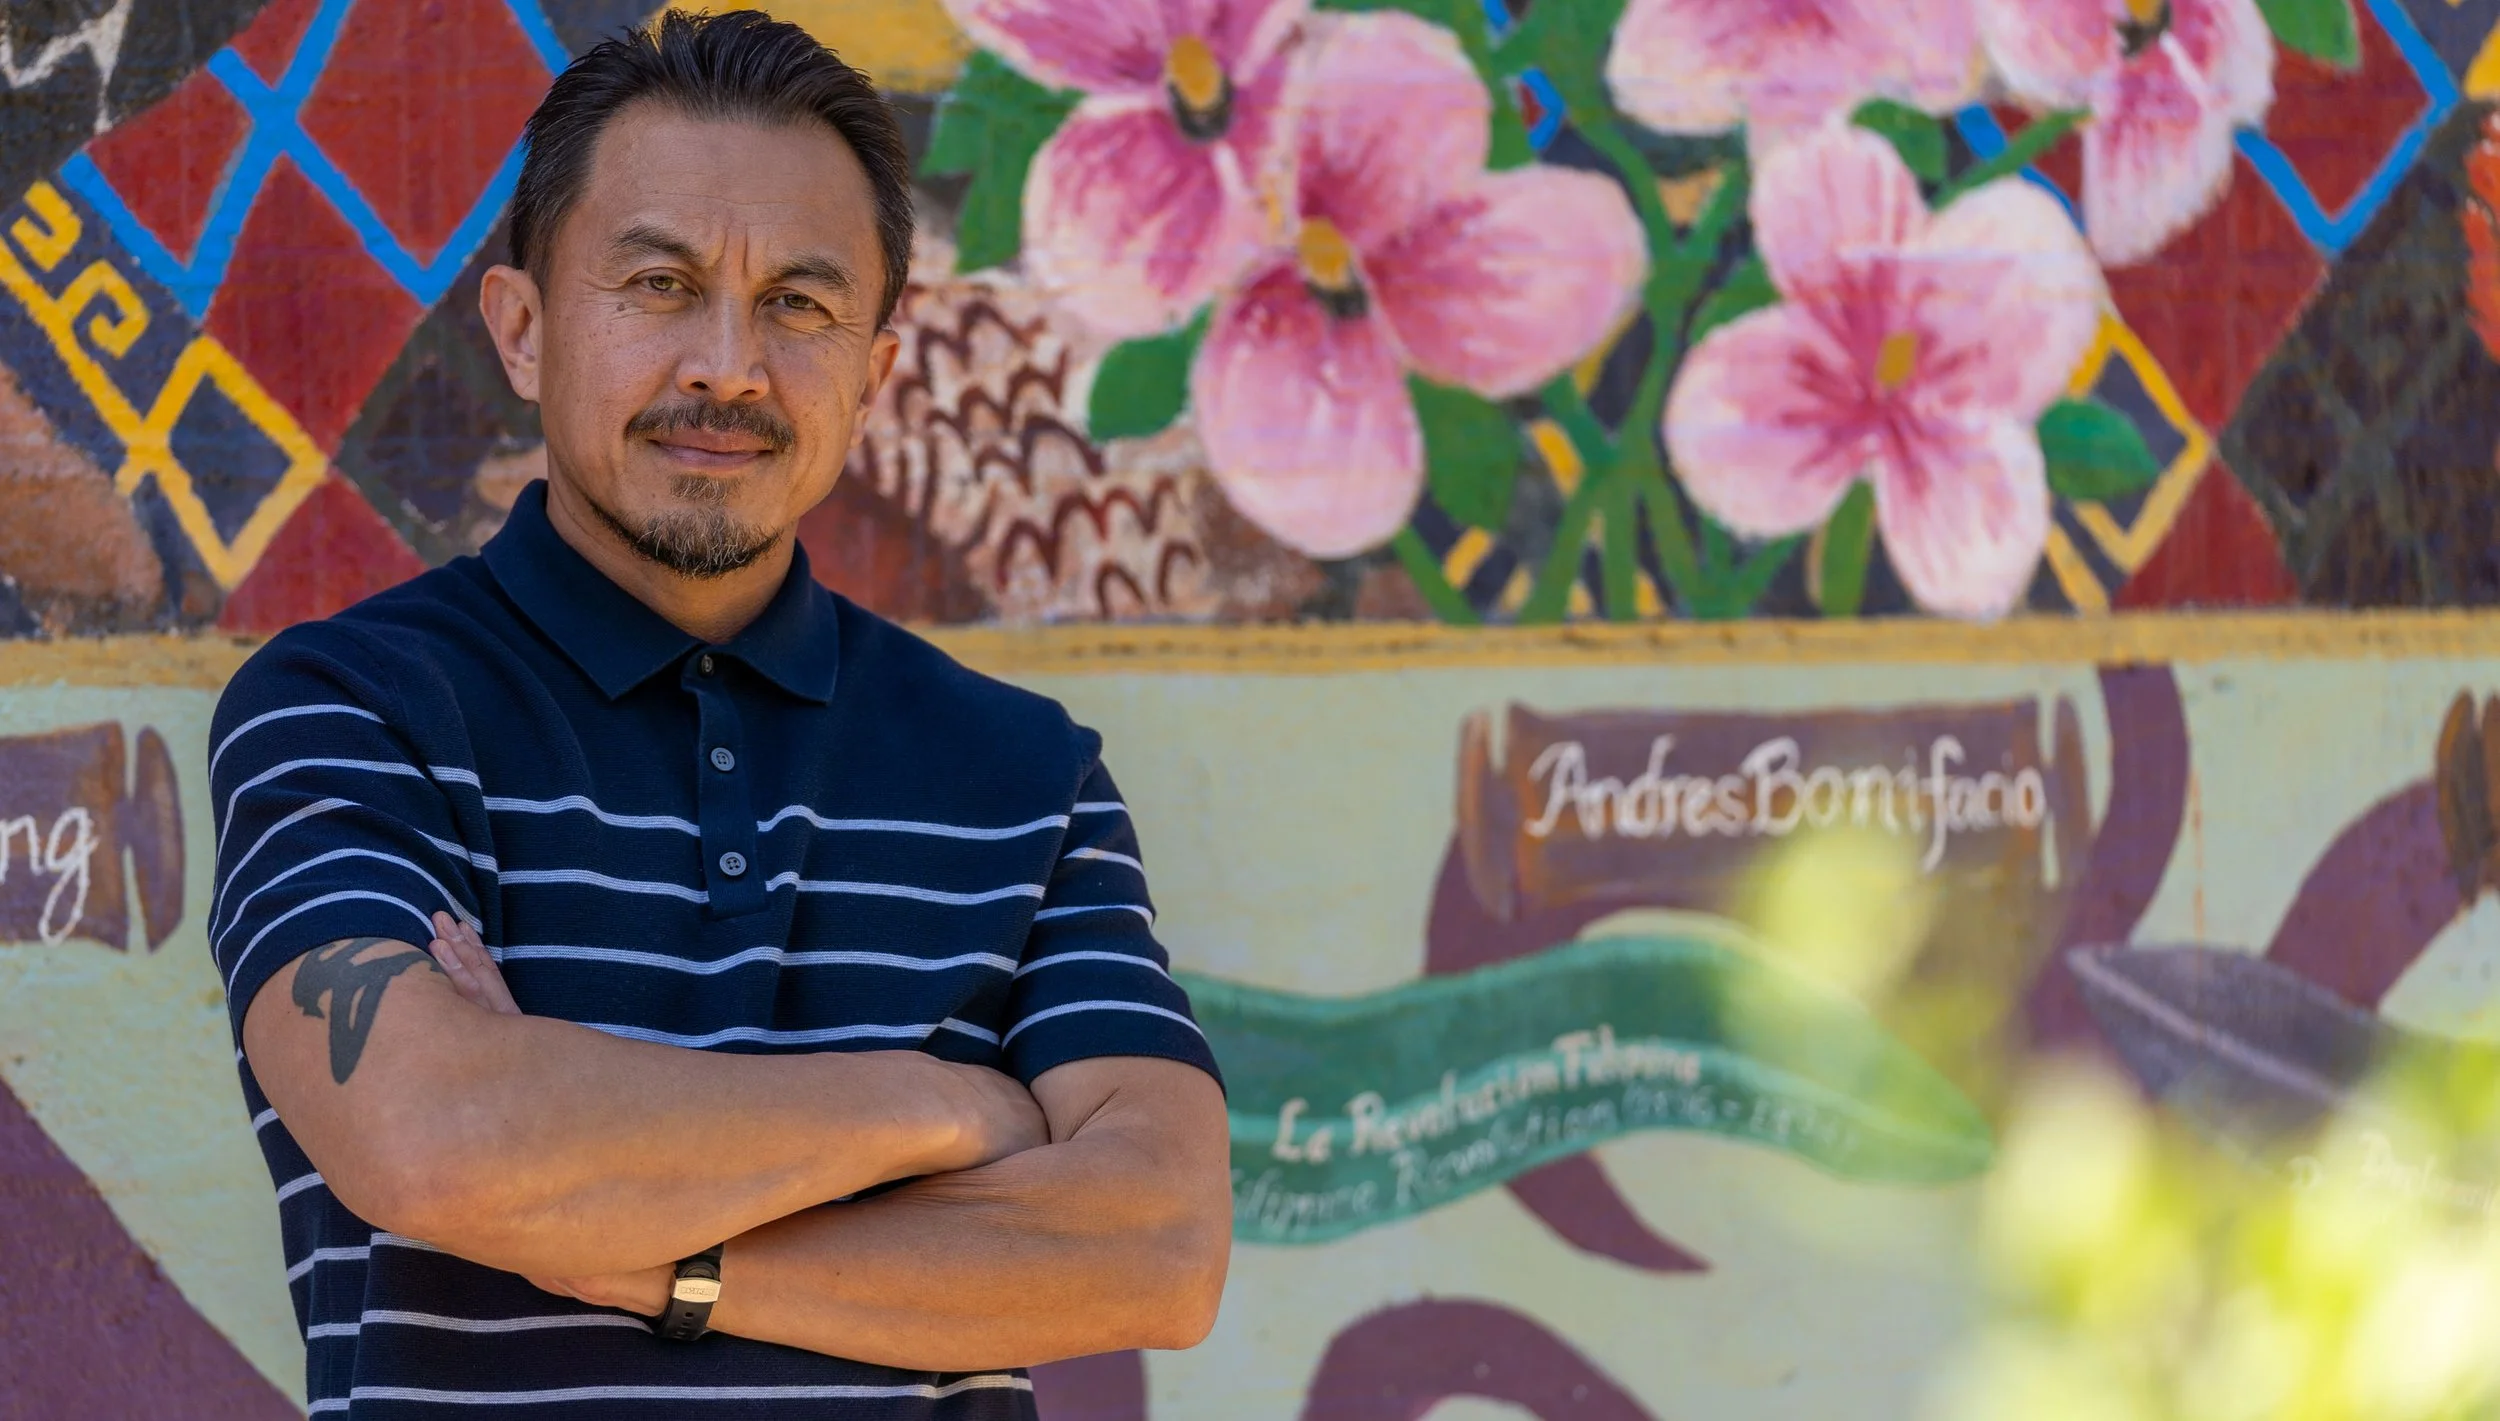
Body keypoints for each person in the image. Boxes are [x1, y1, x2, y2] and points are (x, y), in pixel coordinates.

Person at [205, 11, 1231, 1417]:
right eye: (660, 284)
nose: (729, 366)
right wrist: (942, 1105)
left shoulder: (1025, 776)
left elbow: (1158, 1251)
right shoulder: (353, 710)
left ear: (873, 373)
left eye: (800, 304)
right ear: (523, 329)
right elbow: (436, 1141)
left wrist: (657, 1262)